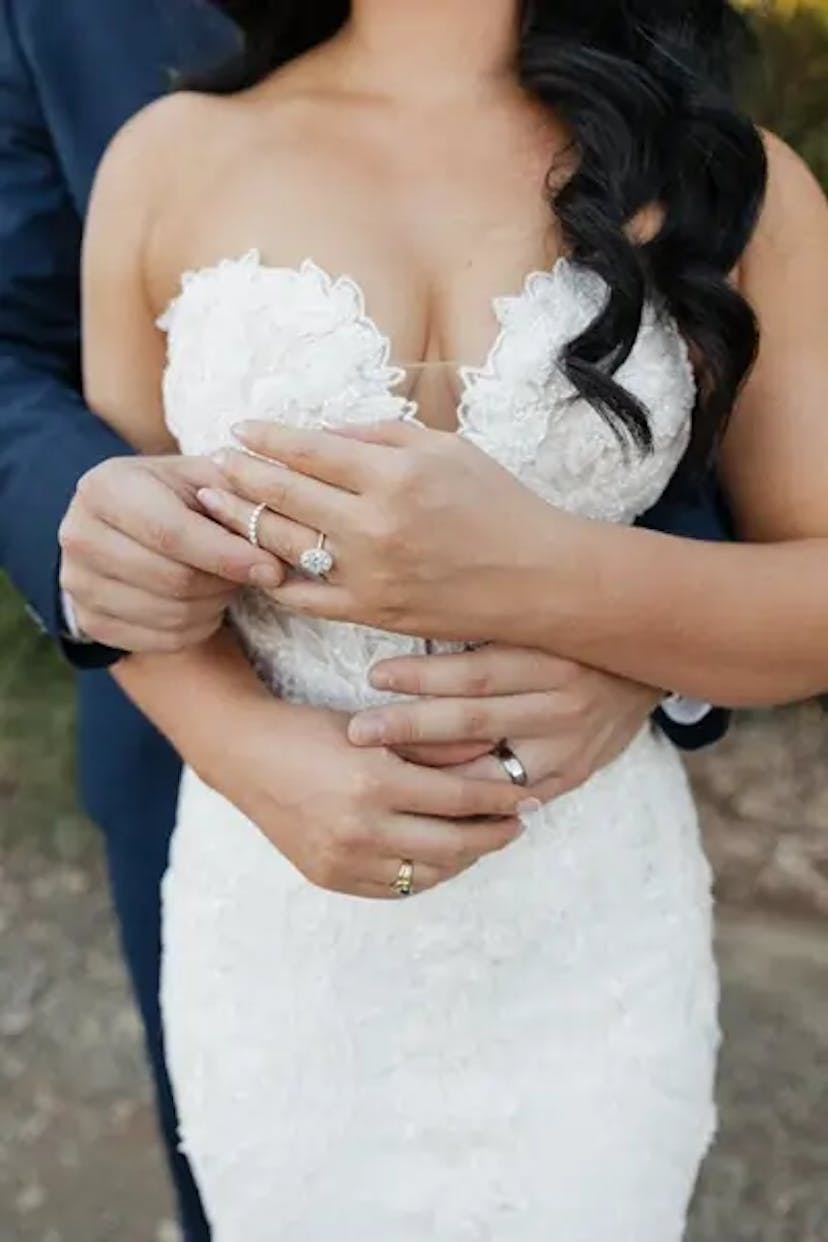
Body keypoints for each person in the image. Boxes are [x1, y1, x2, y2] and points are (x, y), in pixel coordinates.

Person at [77, 0, 828, 1238]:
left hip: (587, 927)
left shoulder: (735, 182)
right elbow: (134, 583)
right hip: (275, 927)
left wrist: (542, 577)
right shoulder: (169, 155)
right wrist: (216, 706)